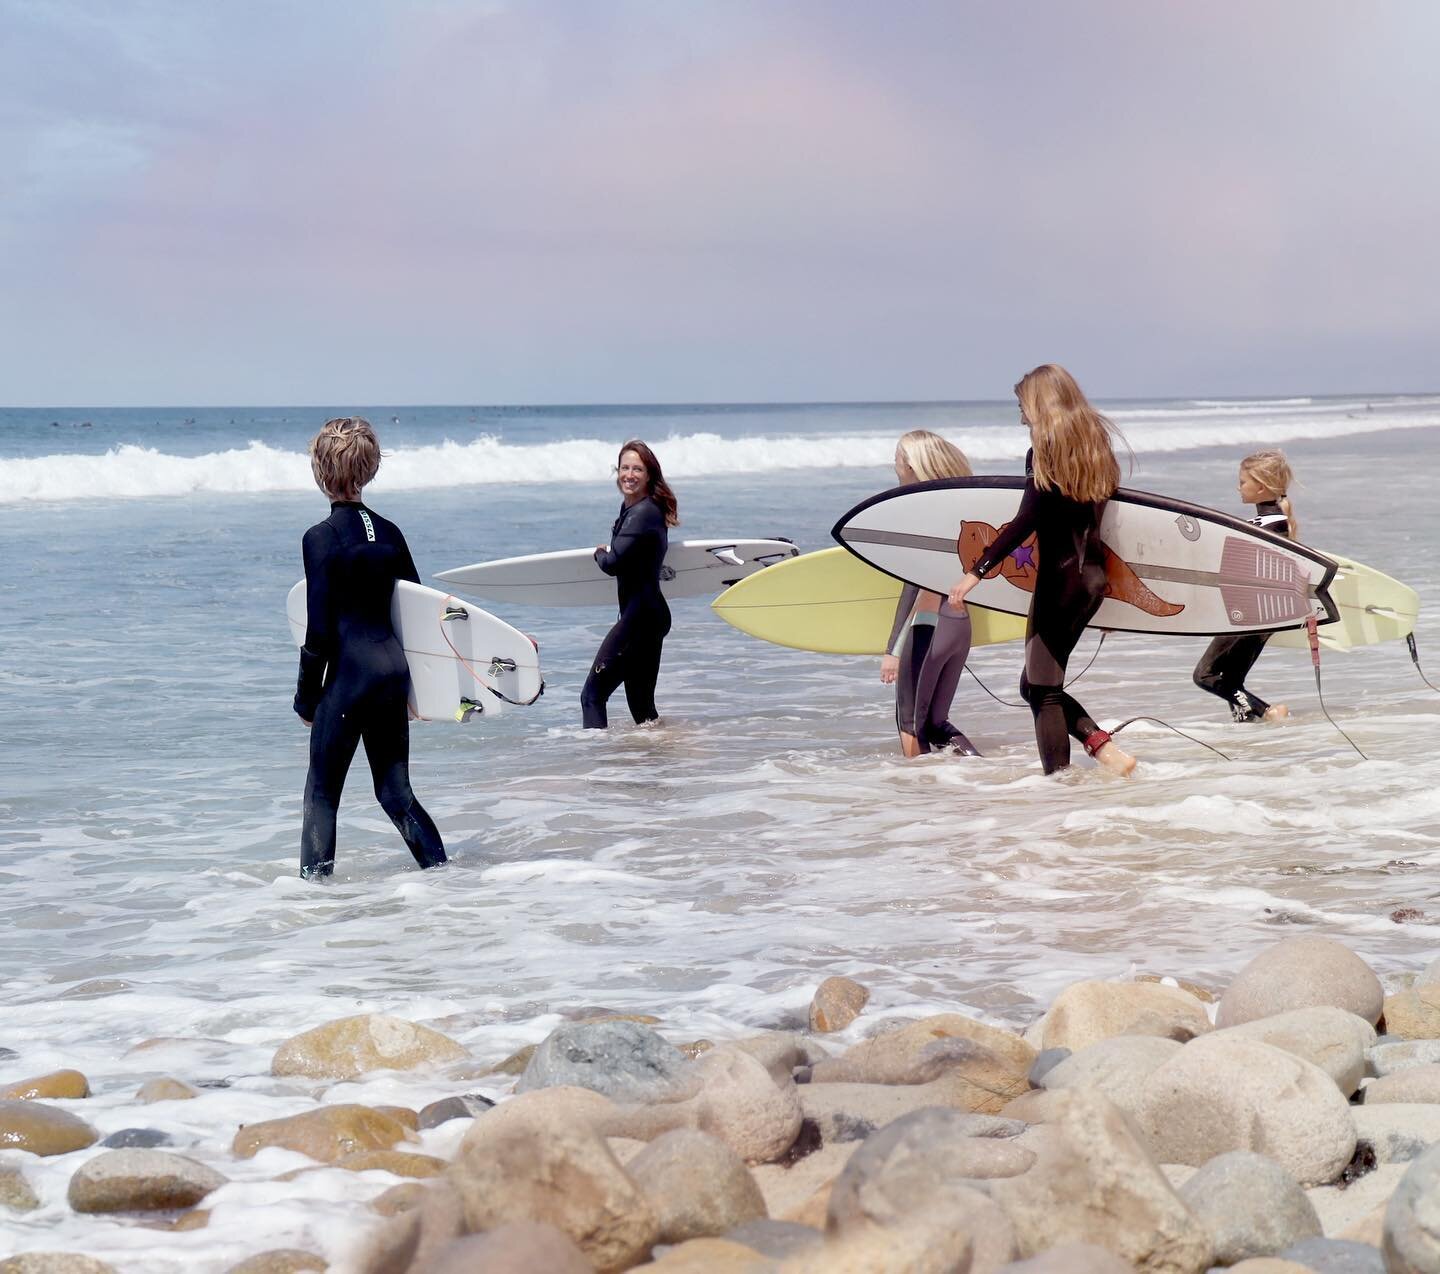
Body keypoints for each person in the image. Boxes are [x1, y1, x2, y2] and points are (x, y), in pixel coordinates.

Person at [948, 365, 1137, 777]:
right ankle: (1103, 748)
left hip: (1059, 581)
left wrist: (976, 571)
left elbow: (1026, 520)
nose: (1020, 416)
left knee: (1044, 691)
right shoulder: (1096, 449)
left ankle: (1060, 785)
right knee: (1034, 685)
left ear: (1038, 403)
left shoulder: (1045, 450)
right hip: (1091, 581)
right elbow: (1109, 526)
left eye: (1022, 405)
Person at [293, 417, 446, 878]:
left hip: (349, 678)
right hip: (391, 674)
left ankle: (313, 898)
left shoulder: (320, 538)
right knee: (396, 794)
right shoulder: (391, 531)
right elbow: (417, 612)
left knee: (321, 793)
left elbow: (318, 628)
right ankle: (445, 879)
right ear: (370, 468)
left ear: (321, 470)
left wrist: (305, 697)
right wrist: (418, 689)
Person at [880, 430, 981, 757]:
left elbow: (913, 586)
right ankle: (982, 774)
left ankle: (921, 797)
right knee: (938, 723)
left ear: (911, 465)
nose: (893, 465)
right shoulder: (963, 514)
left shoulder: (922, 516)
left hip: (928, 628)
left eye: (897, 458)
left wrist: (893, 649)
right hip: (960, 626)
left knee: (909, 723)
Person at [1192, 449, 1297, 723]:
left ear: (1260, 486)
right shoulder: (1266, 522)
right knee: (1233, 680)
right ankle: (1246, 731)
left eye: (1243, 481)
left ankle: (1268, 712)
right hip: (1262, 614)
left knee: (1205, 675)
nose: (1239, 487)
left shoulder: (1268, 525)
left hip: (1249, 614)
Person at [581, 439, 679, 729]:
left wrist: (599, 553)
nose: (629, 474)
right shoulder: (638, 509)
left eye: (637, 469)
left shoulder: (642, 513)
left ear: (649, 474)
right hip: (650, 616)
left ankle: (597, 765)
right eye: (625, 468)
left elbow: (613, 564)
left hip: (640, 620)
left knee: (592, 696)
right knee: (642, 711)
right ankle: (660, 762)